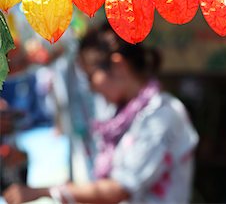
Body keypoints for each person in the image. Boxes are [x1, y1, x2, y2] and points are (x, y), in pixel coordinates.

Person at [2, 22, 199, 204]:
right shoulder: (117, 116)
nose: (91, 87)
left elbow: (120, 188)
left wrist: (44, 191)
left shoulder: (162, 115)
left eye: (90, 76)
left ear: (118, 64)